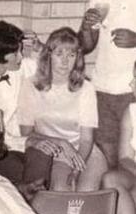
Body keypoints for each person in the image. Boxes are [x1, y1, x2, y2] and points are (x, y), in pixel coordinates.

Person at [0, 20, 54, 188]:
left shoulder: (18, 67)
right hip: (1, 151)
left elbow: (51, 68)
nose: (22, 56)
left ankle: (37, 202)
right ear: (2, 57)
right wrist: (27, 142)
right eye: (17, 52)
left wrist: (39, 47)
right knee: (23, 173)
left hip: (26, 139)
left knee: (44, 153)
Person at [19, 27, 107, 191]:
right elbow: (26, 134)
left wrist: (76, 169)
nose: (65, 62)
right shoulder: (30, 86)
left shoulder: (86, 88)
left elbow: (87, 139)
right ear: (48, 56)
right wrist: (59, 142)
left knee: (85, 196)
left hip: (85, 153)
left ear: (77, 58)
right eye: (59, 54)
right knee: (61, 191)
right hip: (56, 155)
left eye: (71, 55)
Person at [79, 0, 136, 169]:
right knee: (105, 161)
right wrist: (85, 27)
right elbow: (86, 46)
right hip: (102, 90)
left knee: (128, 166)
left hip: (133, 94)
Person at [98, 62, 136, 214]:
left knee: (125, 199)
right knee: (111, 179)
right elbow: (124, 158)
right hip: (134, 170)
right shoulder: (131, 112)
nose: (131, 83)